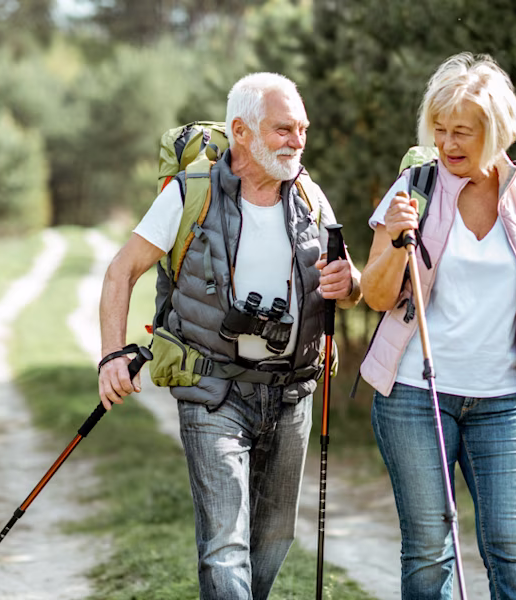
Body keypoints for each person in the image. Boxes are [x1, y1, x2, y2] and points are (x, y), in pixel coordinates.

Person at [98, 72, 362, 600]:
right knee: (223, 545)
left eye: (302, 129)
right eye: (283, 129)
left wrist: (349, 283)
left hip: (291, 394)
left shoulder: (310, 196)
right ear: (241, 132)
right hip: (213, 391)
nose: (298, 141)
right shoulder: (188, 194)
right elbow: (120, 272)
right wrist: (111, 354)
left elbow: (347, 285)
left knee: (272, 539)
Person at [359, 53, 516, 600]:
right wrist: (399, 240)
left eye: (462, 133)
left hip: (504, 399)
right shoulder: (414, 186)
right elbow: (375, 295)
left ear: (496, 132)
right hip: (414, 394)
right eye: (441, 130)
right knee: (430, 555)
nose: (448, 144)